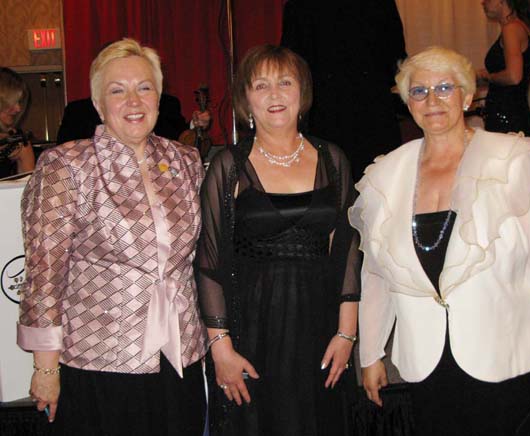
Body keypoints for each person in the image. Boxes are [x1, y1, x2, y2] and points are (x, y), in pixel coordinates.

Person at [348, 46, 530, 436]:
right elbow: (376, 274)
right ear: (408, 102)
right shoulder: (385, 175)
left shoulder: (514, 161)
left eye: (444, 87)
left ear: (468, 96)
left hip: (501, 347)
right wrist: (370, 354)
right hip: (426, 355)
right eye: (419, 91)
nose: (432, 100)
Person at [18, 38, 207, 435]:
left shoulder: (186, 162)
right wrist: (45, 366)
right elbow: (44, 274)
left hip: (179, 356)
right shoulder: (66, 165)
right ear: (99, 104)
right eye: (117, 91)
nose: (134, 101)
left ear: (159, 97)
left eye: (144, 87)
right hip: (99, 361)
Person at [196, 44, 361, 436]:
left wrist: (346, 333)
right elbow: (208, 262)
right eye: (261, 85)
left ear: (302, 92)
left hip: (321, 328)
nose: (274, 95)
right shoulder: (228, 165)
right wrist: (221, 347)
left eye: (285, 82)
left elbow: (348, 250)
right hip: (252, 330)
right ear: (245, 99)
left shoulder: (332, 158)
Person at [281, 0, 407, 180]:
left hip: (331, 114)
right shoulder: (380, 4)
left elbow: (293, 69)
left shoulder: (299, 5)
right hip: (366, 113)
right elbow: (396, 63)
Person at [478, 0, 530, 136]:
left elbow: (514, 77)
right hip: (513, 115)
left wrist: (488, 77)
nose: (482, 2)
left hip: (507, 118)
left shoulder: (511, 28)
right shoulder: (520, 27)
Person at [56, 94, 210, 145]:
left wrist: (195, 125)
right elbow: (64, 152)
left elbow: (177, 138)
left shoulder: (165, 104)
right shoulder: (79, 111)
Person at [0, 67, 35, 178]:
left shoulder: (19, 142)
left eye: (19, 102)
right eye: (12, 102)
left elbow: (27, 191)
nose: (18, 108)